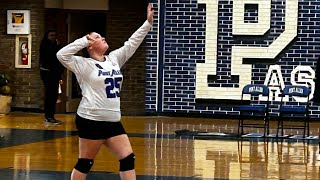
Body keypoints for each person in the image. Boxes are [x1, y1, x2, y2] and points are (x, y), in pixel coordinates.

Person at [56, 4, 154, 180]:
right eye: (98, 38)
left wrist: (147, 23)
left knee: (128, 158)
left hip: (112, 120)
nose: (103, 38)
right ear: (91, 46)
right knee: (85, 163)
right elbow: (61, 55)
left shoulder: (114, 59)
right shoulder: (83, 64)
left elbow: (132, 43)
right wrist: (84, 40)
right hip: (91, 119)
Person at [40, 29, 64, 125]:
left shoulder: (56, 46)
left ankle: (51, 115)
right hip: (47, 72)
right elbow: (50, 56)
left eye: (54, 35)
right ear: (47, 36)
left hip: (55, 73)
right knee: (50, 94)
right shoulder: (45, 46)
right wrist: (57, 46)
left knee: (54, 95)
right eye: (51, 35)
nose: (53, 37)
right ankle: (48, 116)